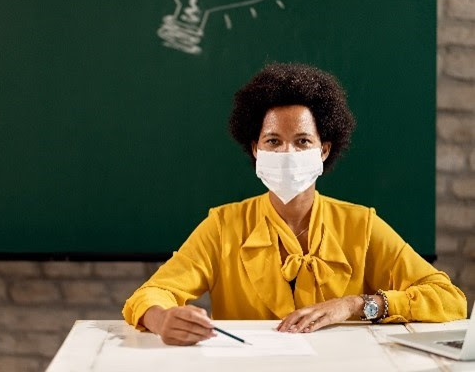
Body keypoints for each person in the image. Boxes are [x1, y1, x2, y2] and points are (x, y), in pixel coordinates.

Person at [122, 63, 466, 346]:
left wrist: (358, 304)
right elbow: (152, 293)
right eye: (273, 141)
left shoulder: (360, 225)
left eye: (302, 141)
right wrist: (163, 318)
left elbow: (449, 298)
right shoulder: (223, 226)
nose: (287, 153)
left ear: (324, 149)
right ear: (255, 148)